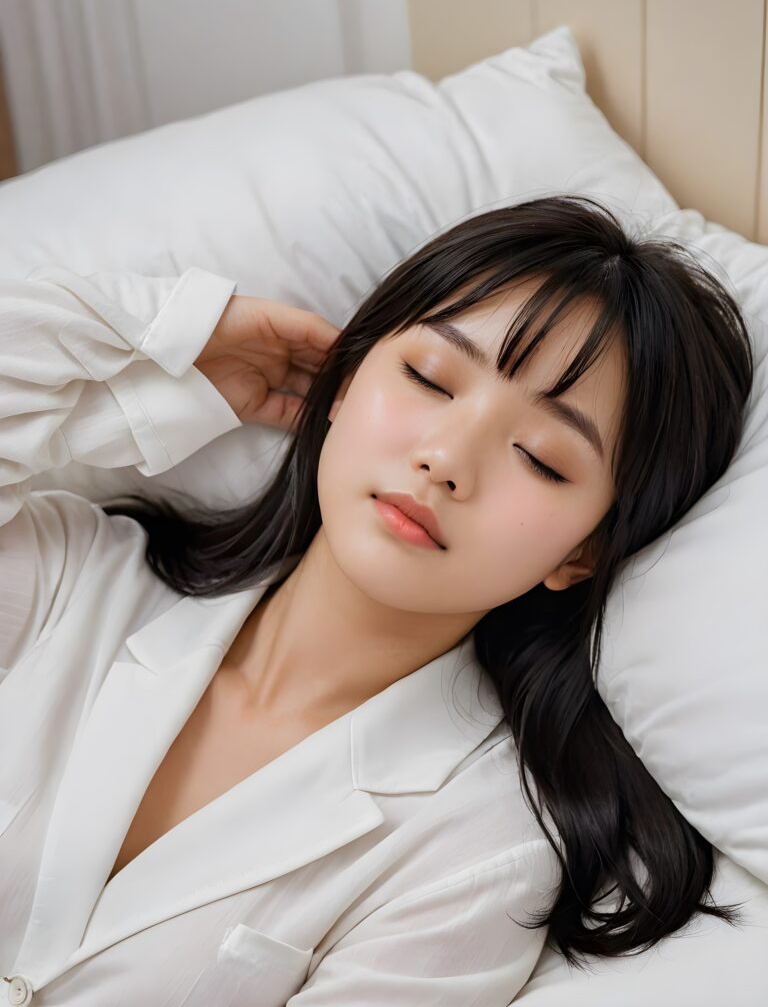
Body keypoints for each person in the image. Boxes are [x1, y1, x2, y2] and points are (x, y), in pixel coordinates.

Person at [0, 195, 753, 1007]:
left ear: (583, 552)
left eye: (541, 458)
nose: (445, 460)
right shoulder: (67, 576)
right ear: (345, 379)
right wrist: (166, 346)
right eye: (429, 378)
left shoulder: (475, 853)